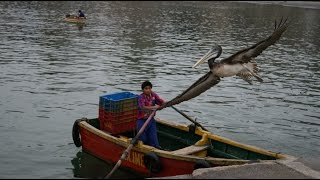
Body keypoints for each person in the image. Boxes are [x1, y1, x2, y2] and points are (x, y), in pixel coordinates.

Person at [137, 81, 165, 149]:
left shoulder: (153, 95)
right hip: (142, 120)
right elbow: (143, 107)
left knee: (154, 138)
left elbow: (160, 101)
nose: (148, 90)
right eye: (146, 88)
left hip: (151, 120)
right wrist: (155, 107)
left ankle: (156, 148)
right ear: (143, 90)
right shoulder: (141, 97)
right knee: (143, 139)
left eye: (149, 88)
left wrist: (164, 104)